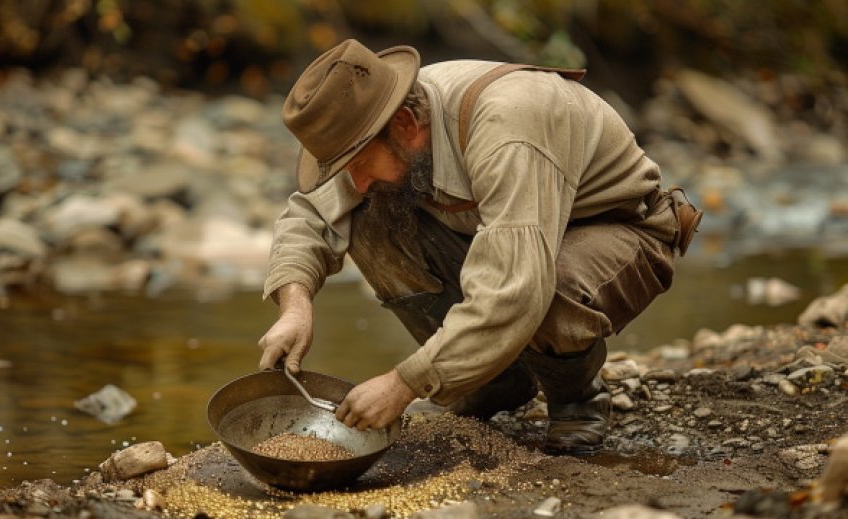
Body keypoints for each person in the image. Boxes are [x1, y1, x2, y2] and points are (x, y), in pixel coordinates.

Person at [257, 39, 702, 455]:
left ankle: (576, 399)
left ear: (407, 126)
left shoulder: (506, 125)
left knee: (549, 285)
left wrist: (404, 383)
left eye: (358, 165)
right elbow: (309, 214)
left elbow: (516, 287)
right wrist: (295, 306)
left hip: (619, 232)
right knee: (368, 216)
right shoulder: (376, 125)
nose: (355, 182)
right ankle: (492, 385)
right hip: (510, 232)